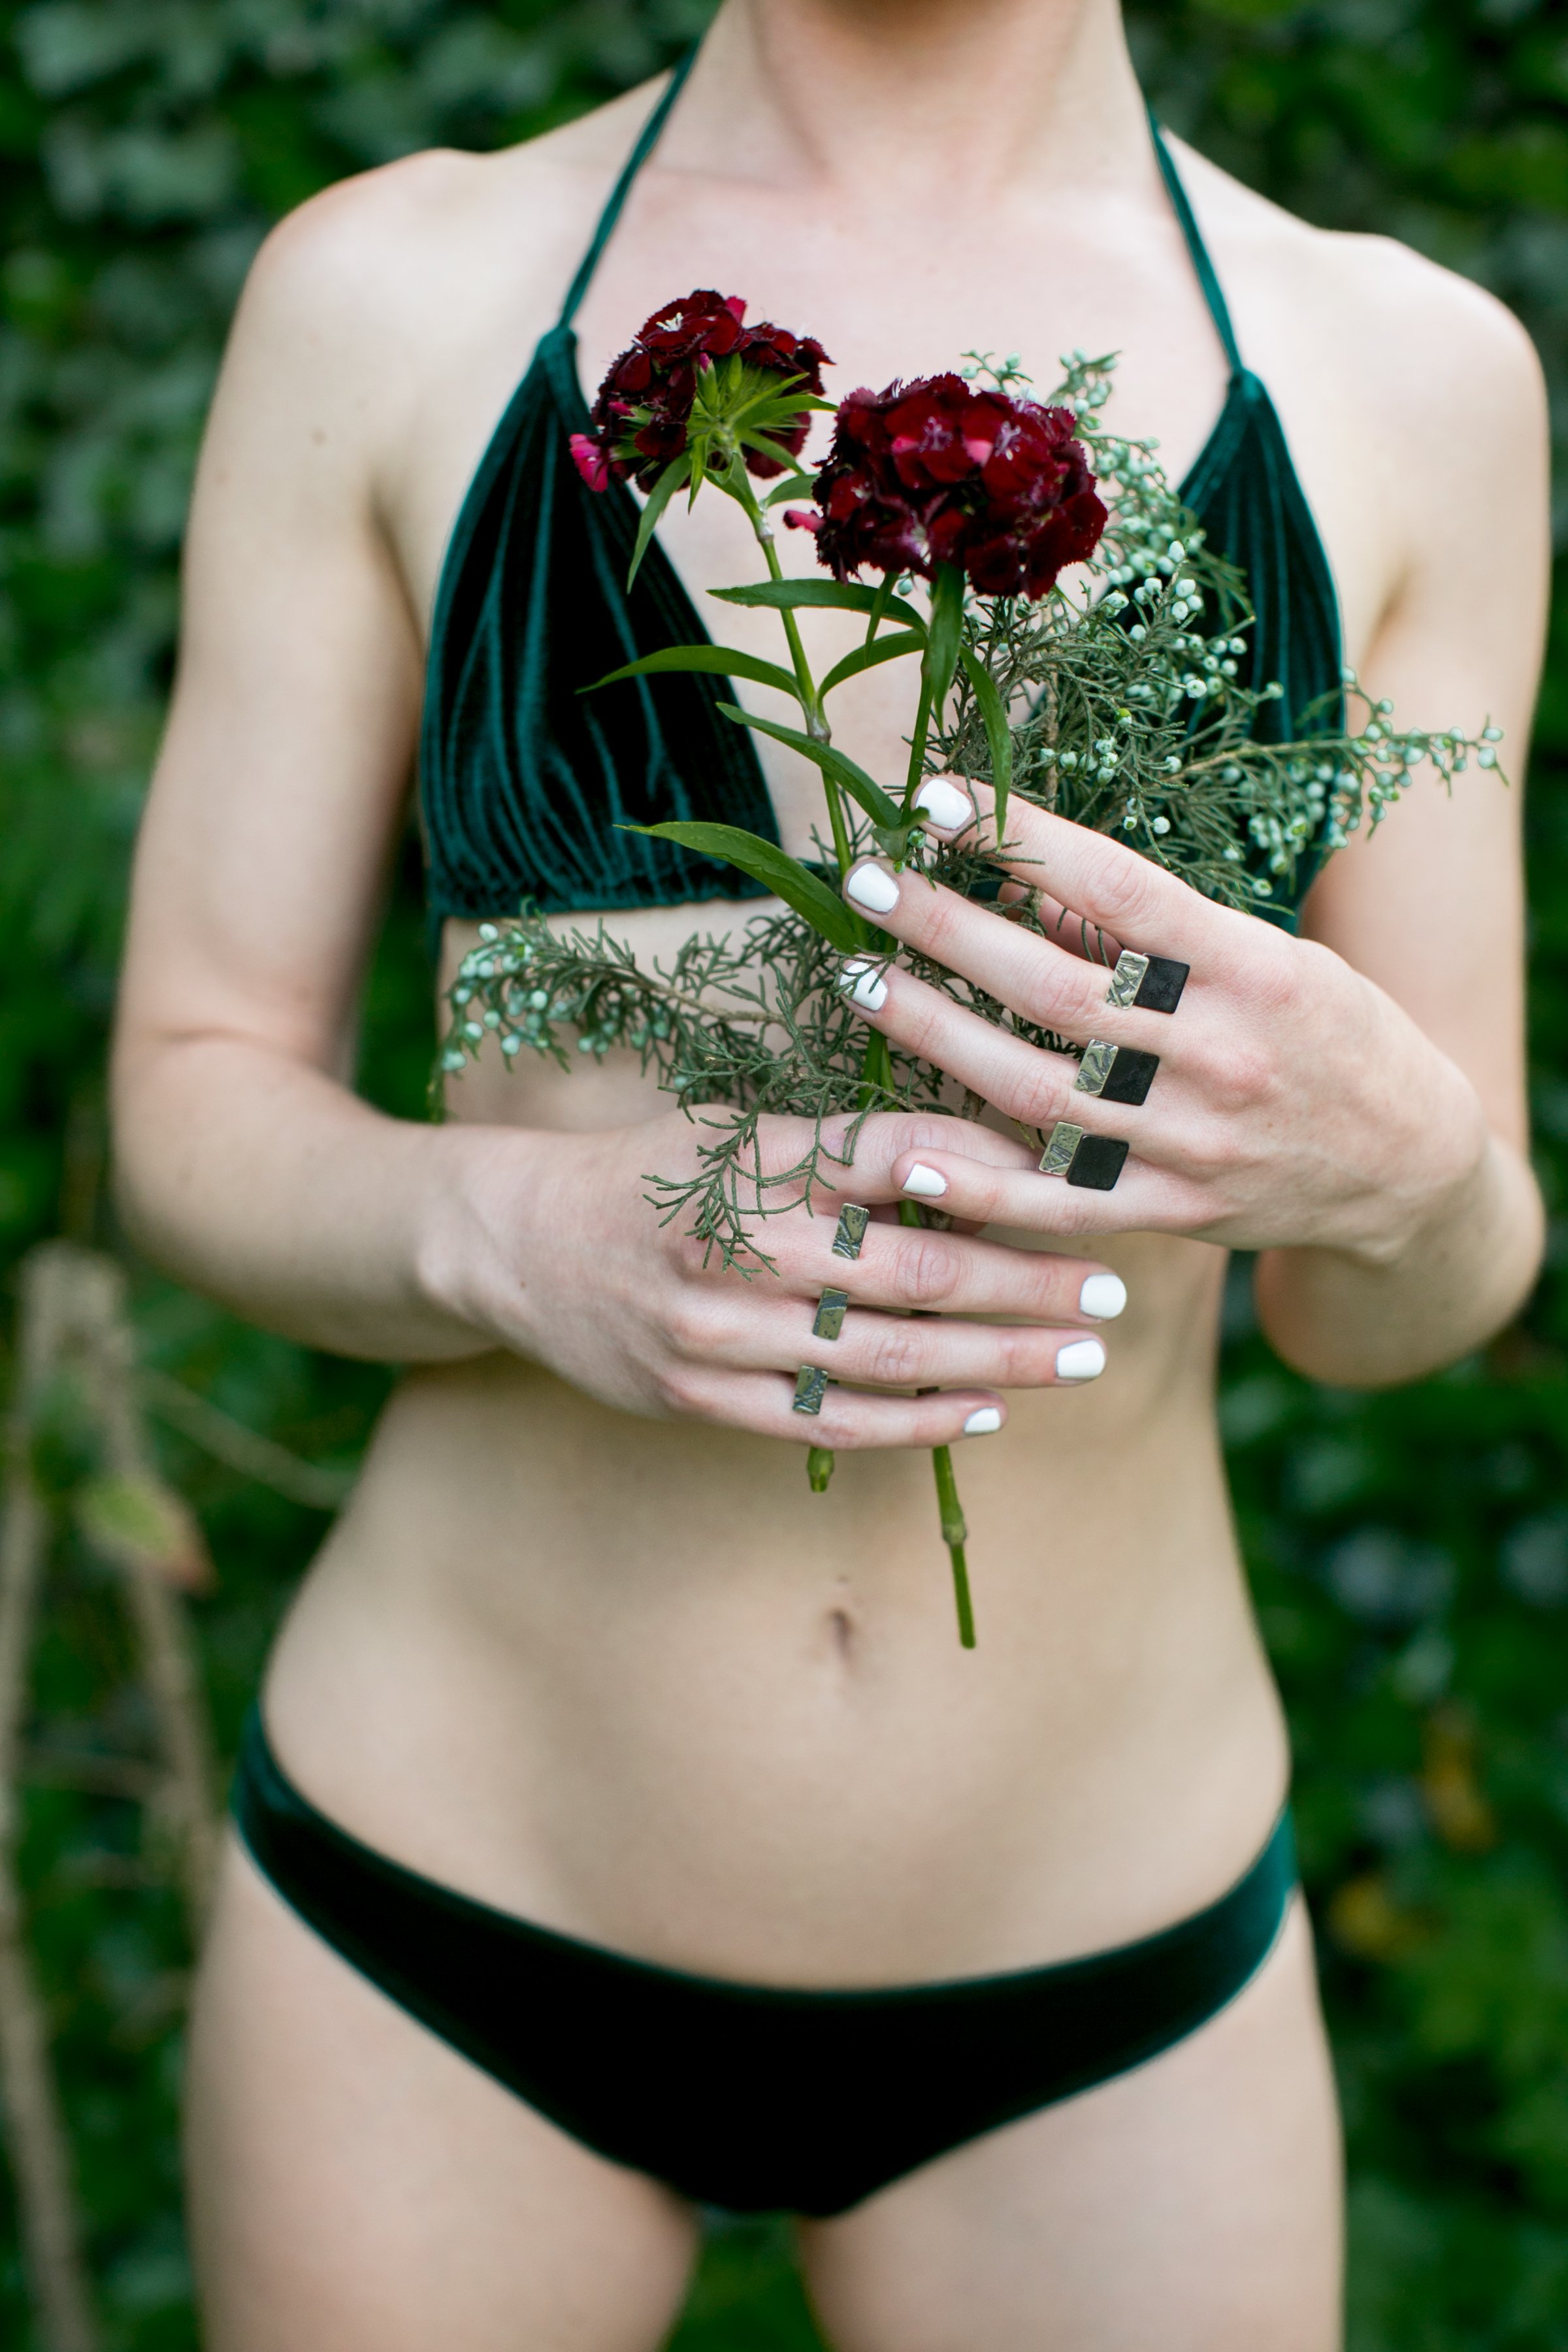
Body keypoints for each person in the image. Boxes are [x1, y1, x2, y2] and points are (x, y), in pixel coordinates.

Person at [111, 0, 1548, 2344]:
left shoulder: (1407, 368)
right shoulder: (398, 286)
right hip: (447, 1894)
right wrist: (508, 1233)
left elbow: (1395, 1307)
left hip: (1108, 1954)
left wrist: (1405, 1172)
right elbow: (187, 1092)